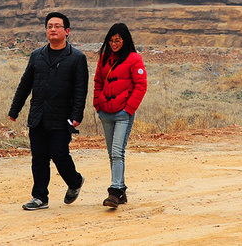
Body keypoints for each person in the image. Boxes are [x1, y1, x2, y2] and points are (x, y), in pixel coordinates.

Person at [8, 12, 89, 211]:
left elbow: (81, 89)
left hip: (62, 116)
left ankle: (75, 181)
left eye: (57, 26)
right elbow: (25, 84)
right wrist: (15, 109)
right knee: (39, 156)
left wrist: (77, 115)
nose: (52, 29)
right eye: (49, 26)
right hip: (38, 115)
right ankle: (40, 197)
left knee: (59, 154)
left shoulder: (77, 57)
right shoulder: (37, 55)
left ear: (67, 31)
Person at [93, 23, 147, 208]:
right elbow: (98, 81)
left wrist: (128, 109)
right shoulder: (104, 58)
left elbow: (141, 86)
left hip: (123, 113)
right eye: (111, 40)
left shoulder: (134, 59)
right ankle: (121, 191)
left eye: (118, 40)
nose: (114, 44)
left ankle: (114, 191)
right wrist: (97, 104)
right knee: (112, 153)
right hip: (105, 112)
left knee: (117, 152)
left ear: (125, 40)